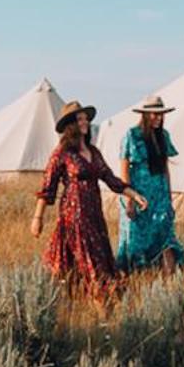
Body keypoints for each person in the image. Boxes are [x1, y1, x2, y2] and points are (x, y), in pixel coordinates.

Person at [30, 100, 144, 303]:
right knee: (89, 265)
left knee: (90, 263)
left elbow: (111, 179)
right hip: (74, 217)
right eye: (79, 119)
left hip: (94, 217)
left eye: (86, 119)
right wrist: (37, 218)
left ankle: (91, 306)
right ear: (70, 125)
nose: (85, 122)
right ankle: (100, 306)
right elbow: (47, 188)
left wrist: (134, 195)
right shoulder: (62, 153)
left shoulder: (94, 152)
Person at [117, 97, 184, 274]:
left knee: (166, 235)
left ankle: (170, 281)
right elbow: (124, 169)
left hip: (159, 194)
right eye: (155, 114)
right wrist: (129, 199)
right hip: (138, 195)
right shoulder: (131, 135)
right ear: (145, 115)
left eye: (161, 115)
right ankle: (135, 278)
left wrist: (169, 198)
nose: (158, 118)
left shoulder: (164, 136)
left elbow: (165, 168)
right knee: (136, 239)